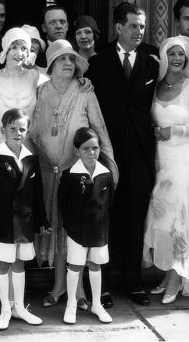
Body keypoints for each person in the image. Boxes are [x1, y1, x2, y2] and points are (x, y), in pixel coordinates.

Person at [30, 39, 118, 309]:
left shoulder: (85, 92)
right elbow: (33, 129)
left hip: (77, 174)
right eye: (62, 59)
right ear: (52, 64)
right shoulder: (41, 90)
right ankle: (58, 287)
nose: (68, 64)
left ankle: (79, 292)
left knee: (76, 232)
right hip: (47, 172)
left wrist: (111, 164)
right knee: (56, 230)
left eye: (72, 60)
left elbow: (100, 130)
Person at [86, 2, 159, 307]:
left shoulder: (154, 61)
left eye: (142, 26)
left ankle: (133, 280)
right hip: (108, 152)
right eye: (133, 26)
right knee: (104, 217)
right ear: (118, 27)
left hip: (141, 151)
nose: (139, 32)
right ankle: (100, 285)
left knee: (134, 215)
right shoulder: (98, 62)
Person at [0, 27, 45, 283]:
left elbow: (62, 84)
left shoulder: (36, 76)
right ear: (5, 49)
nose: (19, 52)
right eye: (14, 47)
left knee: (21, 205)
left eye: (24, 47)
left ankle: (20, 266)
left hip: (26, 149)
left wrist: (82, 80)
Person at [142, 36, 189, 305]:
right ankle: (166, 273)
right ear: (164, 57)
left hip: (183, 162)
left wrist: (174, 131)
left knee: (178, 222)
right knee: (160, 221)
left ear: (188, 58)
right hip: (159, 162)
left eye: (181, 54)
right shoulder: (155, 87)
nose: (177, 58)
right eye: (172, 54)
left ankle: (176, 278)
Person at [0, 109, 51, 330]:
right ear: (3, 130)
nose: (18, 133)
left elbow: (37, 194)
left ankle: (19, 307)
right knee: (3, 264)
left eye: (22, 129)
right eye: (13, 129)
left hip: (25, 223)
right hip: (2, 222)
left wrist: (42, 220)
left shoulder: (31, 159)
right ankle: (5, 309)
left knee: (19, 264)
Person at [59, 127, 115, 325]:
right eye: (86, 149)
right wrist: (70, 225)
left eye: (95, 148)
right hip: (77, 230)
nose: (92, 153)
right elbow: (62, 203)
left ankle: (97, 304)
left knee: (95, 265)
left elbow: (109, 205)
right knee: (74, 266)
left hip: (99, 230)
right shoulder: (70, 175)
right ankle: (71, 304)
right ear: (77, 151)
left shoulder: (106, 174)